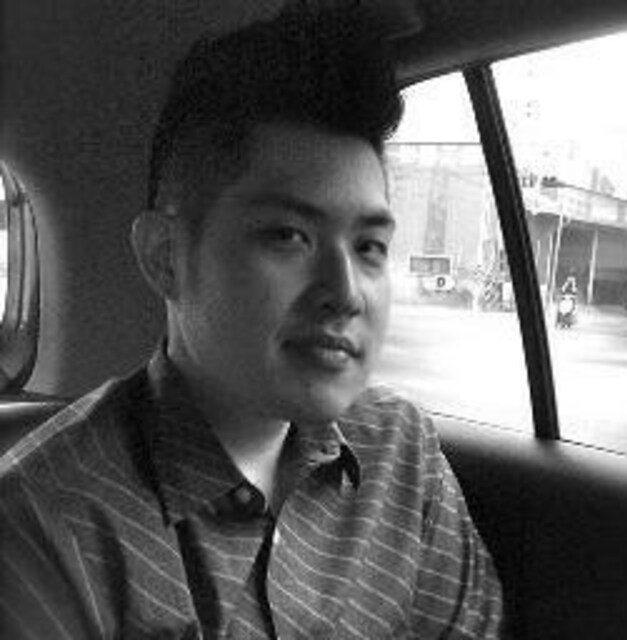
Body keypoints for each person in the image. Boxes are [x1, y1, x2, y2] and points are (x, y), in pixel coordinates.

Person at [0, 4, 503, 638]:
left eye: (369, 246)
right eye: (288, 236)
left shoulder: (402, 456)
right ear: (164, 257)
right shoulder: (46, 522)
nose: (346, 292)